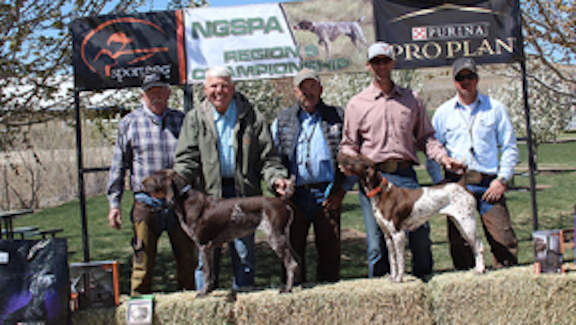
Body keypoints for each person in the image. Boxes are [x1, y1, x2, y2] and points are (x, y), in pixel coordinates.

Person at [339, 42, 462, 280]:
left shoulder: (411, 99)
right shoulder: (357, 104)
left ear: (393, 64)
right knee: (377, 246)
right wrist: (349, 162)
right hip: (373, 182)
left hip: (406, 177)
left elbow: (426, 138)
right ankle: (384, 298)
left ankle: (424, 291)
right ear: (368, 66)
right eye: (376, 62)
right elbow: (348, 144)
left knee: (421, 240)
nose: (381, 66)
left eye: (385, 61)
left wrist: (443, 158)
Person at [173, 66, 291, 292]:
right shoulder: (195, 118)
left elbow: (268, 157)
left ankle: (245, 300)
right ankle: (206, 304)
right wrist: (177, 181)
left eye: (224, 85)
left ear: (233, 87)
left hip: (243, 195)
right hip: (208, 201)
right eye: (214, 86)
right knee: (205, 258)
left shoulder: (252, 116)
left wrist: (276, 178)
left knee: (245, 257)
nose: (219, 91)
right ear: (205, 89)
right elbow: (186, 159)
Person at [106, 72, 196, 296]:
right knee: (142, 263)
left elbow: (195, 159)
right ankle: (138, 309)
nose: (156, 96)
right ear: (142, 95)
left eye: (160, 91)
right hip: (146, 205)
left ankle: (187, 309)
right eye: (151, 92)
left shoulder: (182, 120)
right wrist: (114, 204)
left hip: (180, 206)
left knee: (188, 261)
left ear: (168, 93)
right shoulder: (129, 123)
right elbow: (118, 165)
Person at [428, 57, 519, 269]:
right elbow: (432, 149)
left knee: (504, 239)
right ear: (454, 81)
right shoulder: (443, 113)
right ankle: (466, 286)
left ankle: (506, 286)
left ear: (477, 79)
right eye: (460, 78)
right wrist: (440, 183)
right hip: (457, 185)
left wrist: (502, 179)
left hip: (489, 184)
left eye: (470, 76)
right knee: (461, 244)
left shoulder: (495, 108)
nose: (465, 81)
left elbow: (509, 147)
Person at [271, 69, 354, 283]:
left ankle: (329, 300)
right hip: (294, 196)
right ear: (295, 92)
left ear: (321, 90)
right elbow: (273, 158)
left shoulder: (338, 116)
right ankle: (294, 298)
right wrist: (279, 182)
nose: (308, 93)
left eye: (313, 87)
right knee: (292, 252)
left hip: (327, 193)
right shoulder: (282, 120)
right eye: (303, 88)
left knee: (329, 253)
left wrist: (342, 189)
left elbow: (351, 154)